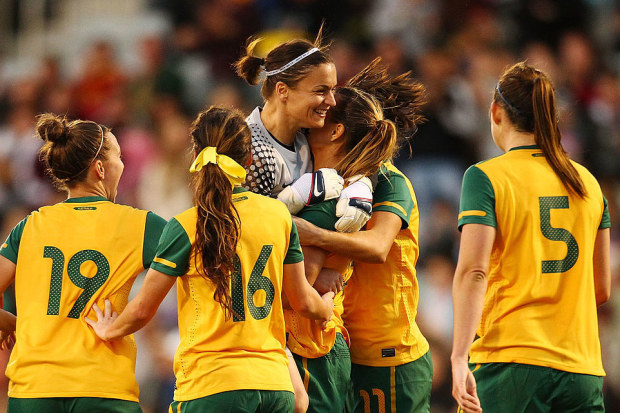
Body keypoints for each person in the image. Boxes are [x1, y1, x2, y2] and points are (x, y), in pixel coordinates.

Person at [85, 105, 334, 413]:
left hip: (210, 387)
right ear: (249, 159)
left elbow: (142, 310)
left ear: (196, 158)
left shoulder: (186, 225)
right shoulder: (278, 216)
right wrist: (327, 306)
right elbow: (304, 302)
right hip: (273, 385)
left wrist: (110, 329)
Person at [450, 62, 611, 413]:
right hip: (582, 370)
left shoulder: (486, 176)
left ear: (495, 112)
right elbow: (601, 288)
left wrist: (459, 355)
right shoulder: (588, 182)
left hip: (510, 363)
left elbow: (473, 272)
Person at [0, 113, 167, 412]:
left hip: (33, 390)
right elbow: (199, 266)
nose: (123, 164)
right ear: (100, 168)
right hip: (102, 390)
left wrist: (15, 324)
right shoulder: (139, 225)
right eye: (118, 155)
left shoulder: (30, 227)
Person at [293, 58, 432, 413]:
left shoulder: (388, 181)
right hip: (345, 343)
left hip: (387, 353)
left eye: (325, 115)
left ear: (339, 129)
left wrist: (312, 235)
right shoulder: (328, 181)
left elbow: (377, 247)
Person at [235, 30, 371, 232]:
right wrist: (292, 198)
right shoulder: (248, 149)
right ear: (283, 91)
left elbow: (341, 167)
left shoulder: (309, 133)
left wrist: (360, 185)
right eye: (320, 91)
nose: (331, 101)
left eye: (332, 90)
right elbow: (243, 228)